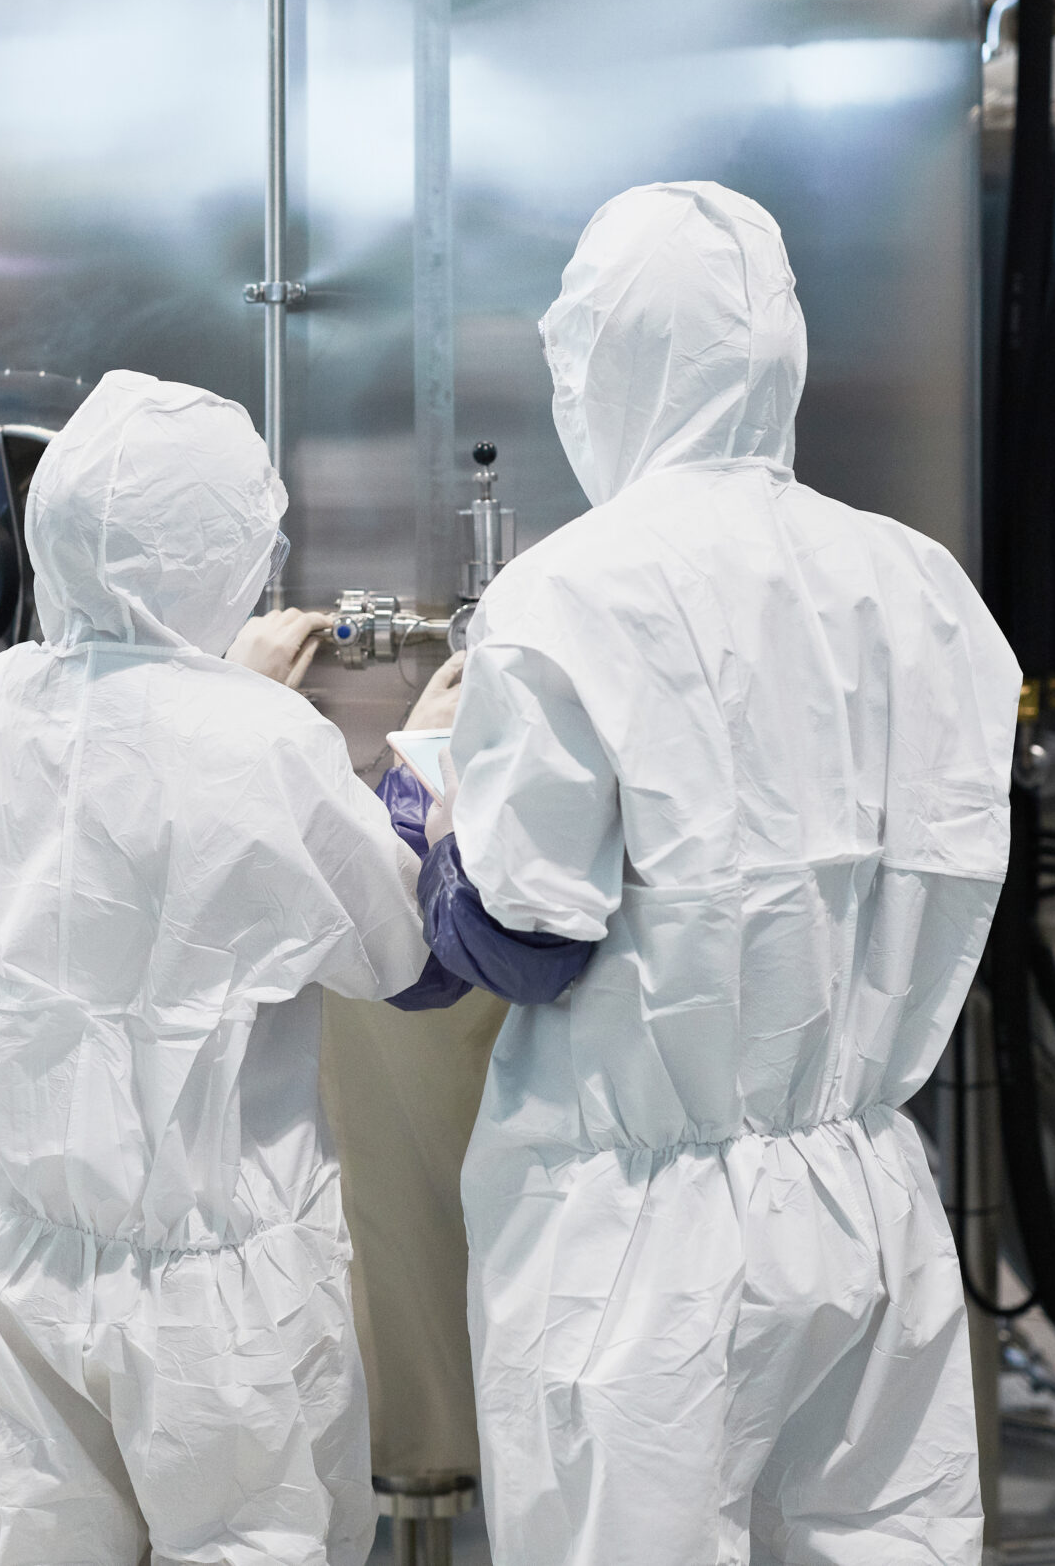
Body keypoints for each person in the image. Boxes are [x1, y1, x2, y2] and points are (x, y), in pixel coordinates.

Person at [400, 182, 1019, 1565]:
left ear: (600, 363)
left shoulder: (568, 592)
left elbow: (527, 933)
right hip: (865, 1196)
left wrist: (434, 808)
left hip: (641, 1239)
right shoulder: (924, 585)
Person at [0, 369, 449, 1566]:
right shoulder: (259, 747)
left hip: (17, 1273)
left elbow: (100, 829)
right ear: (232, 553)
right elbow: (403, 949)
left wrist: (215, 688)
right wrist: (434, 758)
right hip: (216, 1322)